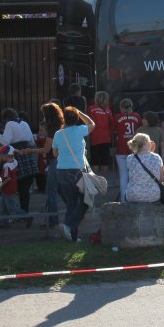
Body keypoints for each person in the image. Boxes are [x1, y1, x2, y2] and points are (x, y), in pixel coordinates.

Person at [52, 106, 96, 242]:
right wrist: (80, 112)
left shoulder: (58, 134)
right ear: (77, 118)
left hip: (61, 171)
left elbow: (55, 154)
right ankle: (68, 225)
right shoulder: (80, 130)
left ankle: (71, 236)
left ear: (64, 119)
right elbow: (92, 124)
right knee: (86, 201)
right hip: (77, 170)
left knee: (71, 203)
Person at [0, 108, 37, 213]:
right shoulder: (25, 123)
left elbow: (5, 142)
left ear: (6, 118)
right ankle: (24, 212)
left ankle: (15, 213)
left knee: (12, 186)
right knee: (25, 189)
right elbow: (31, 141)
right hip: (27, 155)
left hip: (16, 156)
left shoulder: (10, 124)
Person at [41, 102, 64, 229]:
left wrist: (29, 150)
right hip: (61, 161)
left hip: (54, 162)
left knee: (51, 192)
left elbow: (46, 149)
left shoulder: (51, 130)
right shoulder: (61, 126)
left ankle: (53, 220)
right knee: (60, 190)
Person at [125, 133, 164, 203]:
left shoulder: (130, 158)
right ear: (145, 143)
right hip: (153, 195)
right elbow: (162, 178)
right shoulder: (157, 157)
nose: (151, 143)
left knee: (126, 194)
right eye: (149, 141)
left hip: (134, 195)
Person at [115, 98, 141, 202]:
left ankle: (124, 200)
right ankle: (135, 198)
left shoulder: (118, 117)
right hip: (134, 149)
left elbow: (113, 129)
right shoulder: (137, 116)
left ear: (121, 107)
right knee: (135, 174)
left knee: (123, 175)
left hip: (121, 148)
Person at [0, 145, 31, 226]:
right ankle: (4, 222)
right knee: (4, 206)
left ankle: (27, 217)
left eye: (2, 154)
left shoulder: (6, 166)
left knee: (11, 207)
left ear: (6, 155)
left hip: (7, 189)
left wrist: (0, 185)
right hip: (13, 187)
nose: (1, 156)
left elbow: (7, 178)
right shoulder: (14, 162)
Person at [88, 91, 116, 177]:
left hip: (94, 138)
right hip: (106, 138)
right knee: (105, 160)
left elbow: (89, 123)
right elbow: (112, 125)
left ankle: (95, 180)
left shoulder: (91, 109)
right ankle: (104, 180)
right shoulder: (108, 111)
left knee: (95, 160)